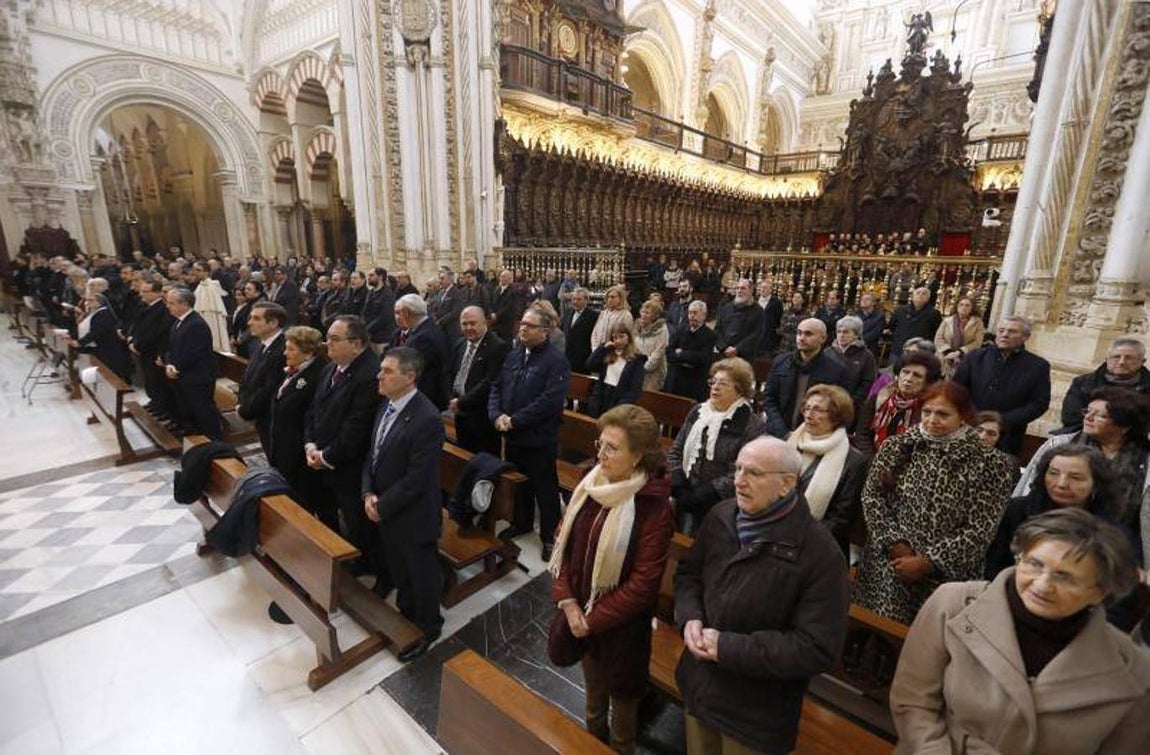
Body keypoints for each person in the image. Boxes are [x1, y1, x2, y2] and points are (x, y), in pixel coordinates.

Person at [891, 509, 1150, 754]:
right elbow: (913, 702)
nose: (1043, 585)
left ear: (1099, 592)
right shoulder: (954, 605)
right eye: (1034, 564)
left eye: (1065, 577)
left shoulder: (1134, 670)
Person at [674, 437, 850, 755]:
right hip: (699, 688)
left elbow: (817, 647)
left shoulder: (819, 553)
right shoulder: (721, 517)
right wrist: (690, 618)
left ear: (786, 485)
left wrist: (726, 647)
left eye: (753, 473)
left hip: (753, 717)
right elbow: (689, 576)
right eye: (738, 468)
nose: (739, 481)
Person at [548, 405, 673, 754]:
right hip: (581, 615)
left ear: (638, 457)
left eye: (612, 448)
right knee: (593, 699)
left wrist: (591, 620)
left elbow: (644, 583)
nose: (600, 454)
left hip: (622, 629)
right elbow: (563, 544)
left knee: (624, 705)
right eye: (600, 444)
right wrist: (569, 603)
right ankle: (591, 743)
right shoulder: (591, 483)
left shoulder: (654, 507)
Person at [853, 382, 1015, 624]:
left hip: (945, 576)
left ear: (963, 416)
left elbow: (981, 527)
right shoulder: (897, 446)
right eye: (927, 412)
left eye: (943, 414)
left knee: (926, 645)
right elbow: (872, 497)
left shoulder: (992, 464)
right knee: (874, 636)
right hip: (889, 564)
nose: (932, 420)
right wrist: (893, 543)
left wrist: (929, 562)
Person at [361, 347, 445, 661]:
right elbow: (373, 454)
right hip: (384, 507)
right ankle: (406, 614)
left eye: (387, 371)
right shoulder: (387, 405)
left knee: (421, 576)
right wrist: (368, 493)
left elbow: (417, 479)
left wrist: (382, 505)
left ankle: (429, 627)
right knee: (400, 570)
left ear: (409, 377)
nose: (378, 375)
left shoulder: (427, 418)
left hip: (413, 514)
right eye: (380, 369)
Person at [489, 305, 571, 560]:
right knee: (519, 484)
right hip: (512, 434)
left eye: (529, 325)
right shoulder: (514, 354)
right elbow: (497, 386)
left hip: (539, 437)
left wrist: (515, 420)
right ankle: (521, 522)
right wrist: (496, 415)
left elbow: (549, 401)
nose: (522, 328)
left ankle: (550, 536)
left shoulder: (556, 361)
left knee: (545, 488)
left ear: (545, 331)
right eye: (521, 323)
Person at [305, 315, 382, 575]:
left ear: (357, 344)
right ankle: (344, 549)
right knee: (339, 512)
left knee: (359, 520)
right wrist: (310, 443)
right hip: (326, 456)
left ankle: (367, 563)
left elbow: (357, 430)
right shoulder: (331, 368)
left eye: (335, 339)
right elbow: (315, 409)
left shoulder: (370, 375)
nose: (328, 343)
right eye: (328, 337)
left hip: (352, 465)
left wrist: (325, 456)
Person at [1016, 387, 1150, 534]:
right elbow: (1028, 487)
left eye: (1101, 415)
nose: (1088, 417)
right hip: (1046, 528)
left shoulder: (1144, 459)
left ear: (1124, 426)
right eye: (1088, 411)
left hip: (1116, 539)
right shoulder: (1060, 444)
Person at [985, 446, 1125, 579]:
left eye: (1075, 477)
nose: (1061, 484)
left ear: (1096, 484)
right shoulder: (1018, 509)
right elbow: (994, 565)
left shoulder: (1107, 524)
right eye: (1053, 473)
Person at [667, 358, 766, 534]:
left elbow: (742, 471)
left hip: (721, 505)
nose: (715, 387)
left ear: (740, 390)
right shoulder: (698, 411)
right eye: (713, 382)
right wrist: (678, 482)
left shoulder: (750, 424)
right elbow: (676, 451)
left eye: (723, 384)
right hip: (685, 495)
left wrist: (707, 492)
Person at [787, 385, 868, 556]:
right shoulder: (790, 441)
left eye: (817, 410)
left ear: (837, 416)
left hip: (819, 546)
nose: (808, 415)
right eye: (807, 408)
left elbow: (841, 519)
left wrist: (799, 535)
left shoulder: (854, 461)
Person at [954, 315, 1051, 455]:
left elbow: (1039, 403)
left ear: (1026, 337)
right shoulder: (974, 357)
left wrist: (1003, 421)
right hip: (969, 428)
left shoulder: (1038, 366)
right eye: (1001, 330)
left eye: (1012, 331)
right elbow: (957, 391)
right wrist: (976, 418)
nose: (1005, 335)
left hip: (1009, 435)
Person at [268, 326, 328, 529]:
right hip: (285, 446)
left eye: (291, 349)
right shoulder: (295, 371)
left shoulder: (317, 374)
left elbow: (312, 415)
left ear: (308, 352)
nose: (285, 353)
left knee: (306, 501)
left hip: (300, 453)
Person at [762, 318, 853, 439]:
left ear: (823, 338)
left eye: (808, 334)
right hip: (778, 432)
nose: (801, 338)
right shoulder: (781, 362)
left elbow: (837, 408)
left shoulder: (836, 370)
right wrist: (782, 431)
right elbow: (769, 399)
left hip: (814, 436)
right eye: (799, 333)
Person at [853, 351, 942, 457]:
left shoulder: (930, 409)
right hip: (871, 459)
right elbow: (862, 434)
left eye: (917, 375)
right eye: (905, 372)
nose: (908, 379)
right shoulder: (881, 397)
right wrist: (873, 461)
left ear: (928, 383)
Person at [161, 287, 222, 439]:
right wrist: (169, 363)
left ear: (185, 304)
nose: (168, 306)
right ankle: (196, 437)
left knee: (203, 412)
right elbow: (172, 347)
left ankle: (214, 442)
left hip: (198, 377)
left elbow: (194, 353)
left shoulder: (196, 324)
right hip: (184, 375)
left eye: (172, 303)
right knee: (188, 410)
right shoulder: (179, 322)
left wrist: (175, 366)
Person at [449, 305, 509, 457]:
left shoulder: (498, 347)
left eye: (473, 323)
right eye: (464, 324)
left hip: (481, 416)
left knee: (483, 461)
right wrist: (451, 398)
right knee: (463, 455)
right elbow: (451, 374)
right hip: (460, 413)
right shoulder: (460, 344)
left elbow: (489, 382)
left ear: (485, 323)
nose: (468, 327)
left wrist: (461, 402)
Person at [1061, 338, 1150, 432]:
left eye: (1129, 358)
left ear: (1142, 361)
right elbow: (1070, 417)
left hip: (1134, 439)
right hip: (1084, 434)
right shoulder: (1084, 382)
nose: (1121, 362)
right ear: (1107, 359)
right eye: (1116, 357)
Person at [236, 301, 287, 454]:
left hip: (271, 418)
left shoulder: (282, 349)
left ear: (273, 323)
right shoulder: (261, 344)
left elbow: (269, 387)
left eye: (256, 318)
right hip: (259, 415)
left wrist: (246, 410)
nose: (249, 322)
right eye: (250, 317)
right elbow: (248, 377)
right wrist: (241, 402)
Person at [128, 276, 175, 420]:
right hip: (144, 350)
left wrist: (138, 345)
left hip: (155, 351)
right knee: (149, 379)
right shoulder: (144, 306)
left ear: (157, 293)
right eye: (141, 291)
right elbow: (138, 325)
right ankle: (154, 402)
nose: (141, 294)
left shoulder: (162, 309)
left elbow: (156, 333)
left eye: (145, 291)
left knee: (158, 381)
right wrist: (132, 338)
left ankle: (163, 407)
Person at [392, 293, 450, 410]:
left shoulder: (423, 338)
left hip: (425, 398)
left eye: (400, 312)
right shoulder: (428, 328)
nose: (399, 317)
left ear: (407, 313)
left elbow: (410, 369)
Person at [586, 322, 647, 417]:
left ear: (629, 338)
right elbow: (590, 365)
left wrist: (621, 407)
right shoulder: (608, 352)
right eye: (615, 338)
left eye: (621, 337)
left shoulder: (636, 360)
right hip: (602, 395)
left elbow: (634, 389)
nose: (618, 341)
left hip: (619, 398)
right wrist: (602, 348)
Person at [664, 300, 717, 402]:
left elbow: (703, 358)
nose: (692, 316)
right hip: (675, 379)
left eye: (695, 313)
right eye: (690, 313)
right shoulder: (681, 330)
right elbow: (669, 353)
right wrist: (687, 357)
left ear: (704, 316)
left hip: (694, 382)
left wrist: (681, 353)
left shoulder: (710, 335)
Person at [72, 293, 131, 381]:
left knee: (109, 372)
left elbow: (96, 332)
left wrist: (80, 342)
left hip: (107, 348)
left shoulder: (103, 314)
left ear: (100, 302)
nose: (87, 303)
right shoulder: (95, 312)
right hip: (100, 346)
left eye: (91, 300)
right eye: (87, 300)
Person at [831, 314, 877, 423]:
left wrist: (852, 400)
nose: (841, 335)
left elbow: (868, 382)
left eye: (846, 332)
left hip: (852, 406)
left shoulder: (866, 356)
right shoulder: (828, 352)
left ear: (856, 335)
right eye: (839, 331)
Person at [933, 295, 984, 380]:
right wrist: (948, 352)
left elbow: (977, 342)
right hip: (945, 357)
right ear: (957, 306)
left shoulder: (977, 322)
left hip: (965, 358)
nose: (964, 307)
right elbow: (938, 338)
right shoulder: (947, 321)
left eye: (967, 305)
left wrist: (959, 352)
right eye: (961, 304)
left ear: (972, 308)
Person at [714, 279, 763, 361]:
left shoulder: (758, 311)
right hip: (724, 355)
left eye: (743, 288)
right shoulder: (726, 308)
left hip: (744, 357)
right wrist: (724, 347)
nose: (739, 291)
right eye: (737, 288)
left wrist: (738, 349)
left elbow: (757, 334)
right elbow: (718, 330)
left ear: (751, 291)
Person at [889, 286, 942, 359]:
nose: (920, 295)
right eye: (918, 292)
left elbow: (937, 332)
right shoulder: (900, 310)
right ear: (912, 295)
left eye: (924, 294)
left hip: (921, 351)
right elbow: (892, 326)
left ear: (928, 298)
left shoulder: (934, 314)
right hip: (899, 349)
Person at [561, 286, 599, 372]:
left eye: (578, 299)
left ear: (586, 300)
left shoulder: (593, 316)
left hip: (582, 360)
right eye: (573, 299)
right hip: (566, 357)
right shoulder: (568, 312)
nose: (575, 302)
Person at [634, 299, 669, 392]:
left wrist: (644, 368)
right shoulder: (637, 327)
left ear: (655, 315)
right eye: (642, 312)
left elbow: (658, 353)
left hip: (653, 373)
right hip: (636, 370)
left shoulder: (662, 330)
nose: (643, 315)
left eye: (647, 313)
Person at [590, 284, 633, 353]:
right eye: (608, 297)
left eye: (613, 297)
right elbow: (595, 332)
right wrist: (595, 348)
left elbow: (627, 336)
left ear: (620, 298)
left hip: (615, 352)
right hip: (599, 351)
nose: (610, 299)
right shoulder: (603, 313)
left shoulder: (625, 315)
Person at [490, 269, 526, 342]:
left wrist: (497, 315)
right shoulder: (497, 289)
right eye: (501, 276)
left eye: (504, 277)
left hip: (506, 323)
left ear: (509, 278)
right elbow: (493, 303)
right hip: (495, 323)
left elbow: (509, 307)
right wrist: (492, 313)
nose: (501, 278)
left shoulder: (513, 291)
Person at [756, 278, 784, 355]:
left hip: (770, 335)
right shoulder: (755, 300)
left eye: (765, 288)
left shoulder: (777, 302)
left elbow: (779, 318)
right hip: (756, 334)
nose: (762, 290)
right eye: (761, 287)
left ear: (770, 289)